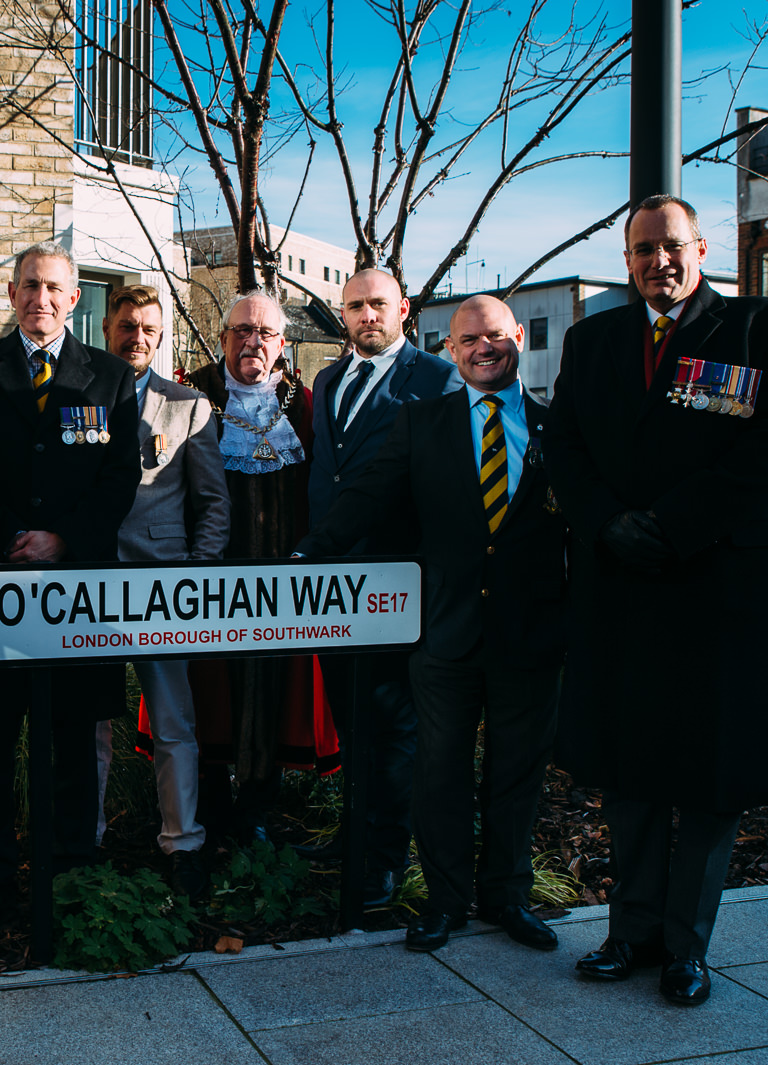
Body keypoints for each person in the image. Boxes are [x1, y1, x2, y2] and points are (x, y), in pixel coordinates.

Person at [545, 194, 768, 1005]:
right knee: (630, 771)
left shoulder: (765, 330)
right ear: (625, 261)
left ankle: (687, 947)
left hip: (718, 587)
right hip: (622, 585)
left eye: (670, 245)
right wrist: (608, 526)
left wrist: (670, 525)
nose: (657, 261)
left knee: (709, 774)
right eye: (640, 250)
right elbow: (566, 446)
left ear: (700, 248)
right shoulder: (594, 341)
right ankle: (630, 932)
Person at [297, 295, 566, 953]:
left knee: (515, 776)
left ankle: (508, 897)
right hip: (443, 631)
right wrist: (309, 555)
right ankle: (445, 902)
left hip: (529, 637)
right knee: (439, 772)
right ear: (452, 350)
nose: (484, 348)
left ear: (519, 339)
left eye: (496, 337)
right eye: (470, 339)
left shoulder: (558, 426)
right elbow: (365, 498)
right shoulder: (422, 423)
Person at [0, 240, 141, 924]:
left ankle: (73, 872)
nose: (42, 299)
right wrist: (3, 539)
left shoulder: (110, 378)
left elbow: (119, 482)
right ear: (11, 292)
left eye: (55, 288)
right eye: (30, 286)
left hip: (78, 589)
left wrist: (64, 540)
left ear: (75, 296)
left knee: (74, 736)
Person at [298, 268, 461, 906]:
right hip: (332, 581)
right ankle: (353, 834)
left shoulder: (436, 378)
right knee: (351, 721)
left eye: (378, 305)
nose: (367, 315)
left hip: (395, 582)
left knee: (394, 727)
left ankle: (386, 856)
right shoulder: (328, 379)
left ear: (404, 309)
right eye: (355, 306)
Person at [101, 284, 230, 896]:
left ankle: (184, 845)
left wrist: (195, 575)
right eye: (127, 325)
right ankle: (86, 837)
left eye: (150, 328)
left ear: (162, 335)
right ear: (106, 327)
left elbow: (212, 503)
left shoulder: (189, 406)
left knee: (176, 723)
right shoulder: (80, 394)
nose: (138, 337)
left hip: (162, 588)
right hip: (92, 586)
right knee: (90, 723)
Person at [184, 291, 313, 844]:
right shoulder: (191, 397)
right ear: (222, 339)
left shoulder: (301, 403)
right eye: (240, 331)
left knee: (274, 687)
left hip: (283, 586)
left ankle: (256, 808)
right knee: (206, 691)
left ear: (281, 344)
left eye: (264, 333)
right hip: (208, 581)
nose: (251, 342)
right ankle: (210, 809)